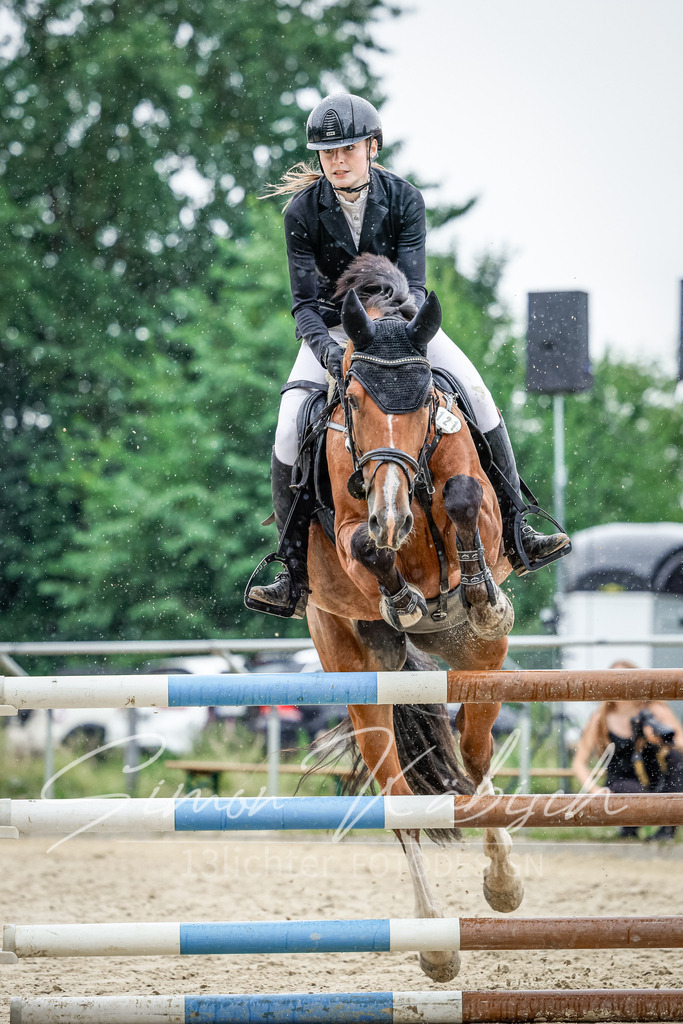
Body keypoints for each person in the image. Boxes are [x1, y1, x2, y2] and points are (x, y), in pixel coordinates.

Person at [246, 92, 570, 619]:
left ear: (372, 147)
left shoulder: (404, 199)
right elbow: (305, 304)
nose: (337, 161)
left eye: (347, 149)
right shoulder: (302, 212)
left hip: (402, 325)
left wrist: (392, 338)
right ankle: (291, 569)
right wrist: (331, 352)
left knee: (479, 395)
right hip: (331, 331)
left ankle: (517, 527)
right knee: (288, 427)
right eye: (327, 153)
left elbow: (412, 289)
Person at [572, 660, 683, 841]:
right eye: (614, 681)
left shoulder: (655, 709)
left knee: (675, 758)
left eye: (624, 680)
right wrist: (594, 790)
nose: (619, 686)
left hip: (656, 781)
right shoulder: (601, 718)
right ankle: (632, 824)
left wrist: (660, 741)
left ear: (636, 682)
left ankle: (667, 828)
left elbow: (680, 744)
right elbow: (579, 762)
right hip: (622, 784)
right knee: (627, 788)